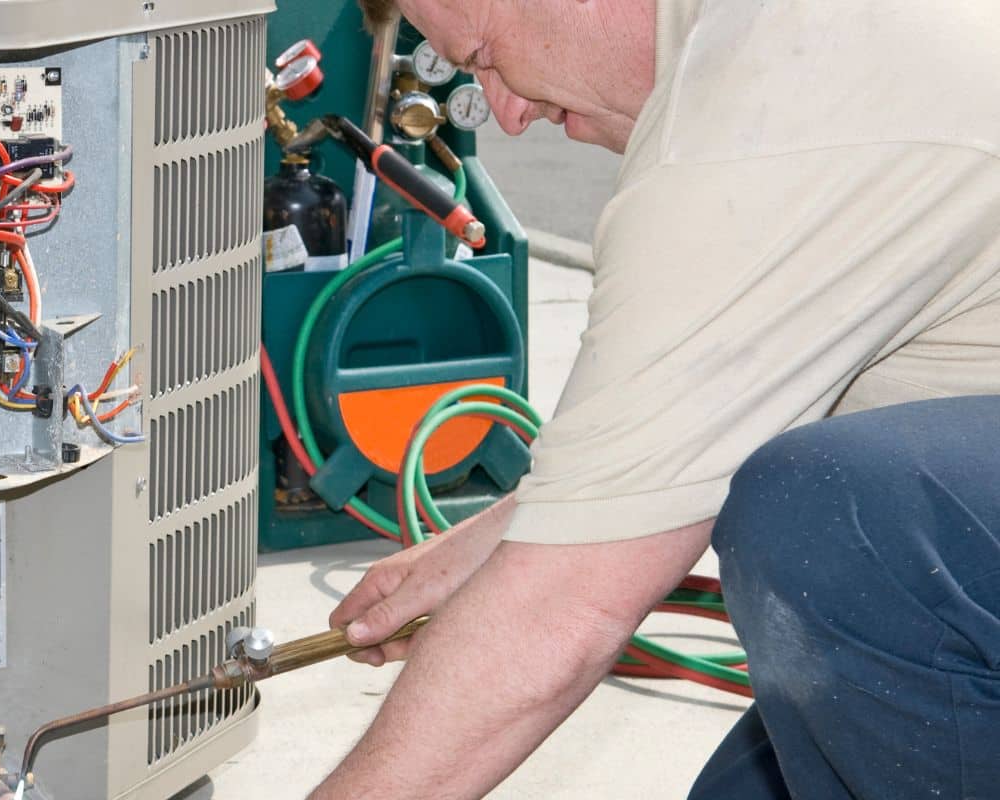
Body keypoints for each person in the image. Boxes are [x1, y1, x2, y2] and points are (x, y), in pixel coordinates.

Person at [312, 0, 1000, 797]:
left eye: (487, 56)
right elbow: (716, 402)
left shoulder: (760, 115)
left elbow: (564, 610)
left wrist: (537, 569)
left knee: (830, 513)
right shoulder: (781, 41)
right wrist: (504, 537)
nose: (508, 112)